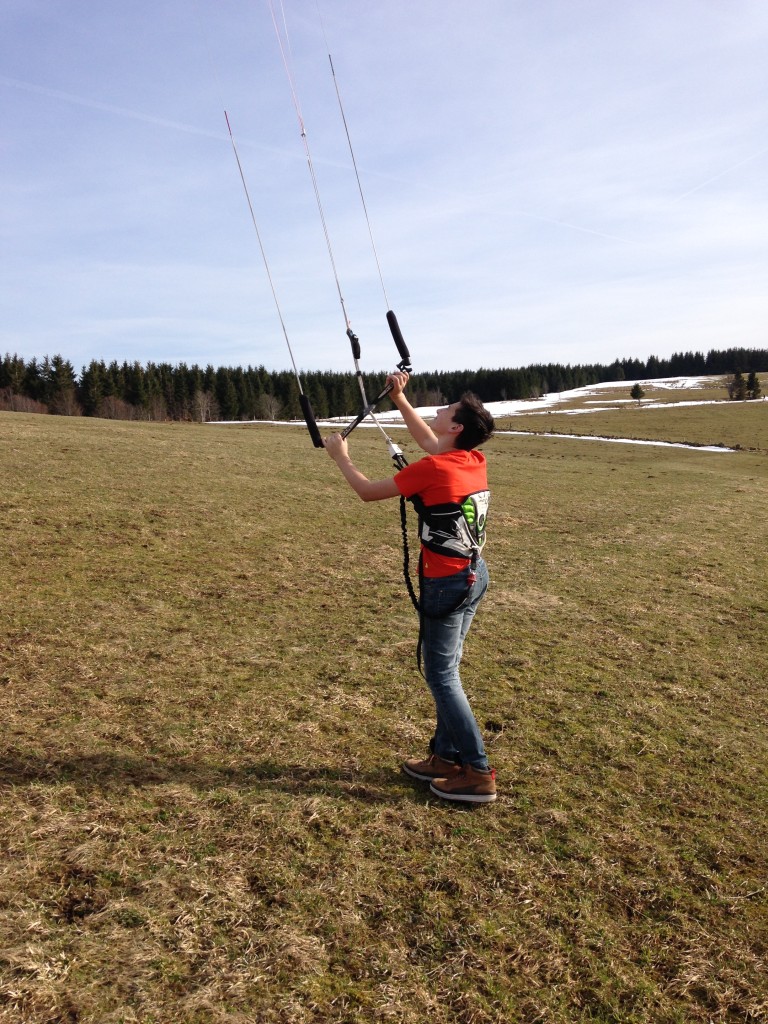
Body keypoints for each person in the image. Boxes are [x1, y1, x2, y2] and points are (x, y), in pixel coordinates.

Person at [323, 372, 497, 804]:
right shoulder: (470, 460)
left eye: (447, 409)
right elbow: (432, 444)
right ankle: (445, 756)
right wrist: (400, 400)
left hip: (448, 583)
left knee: (441, 675)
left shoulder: (436, 468)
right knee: (448, 671)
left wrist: (341, 456)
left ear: (456, 426)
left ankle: (476, 770)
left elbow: (366, 492)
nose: (439, 410)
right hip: (475, 575)